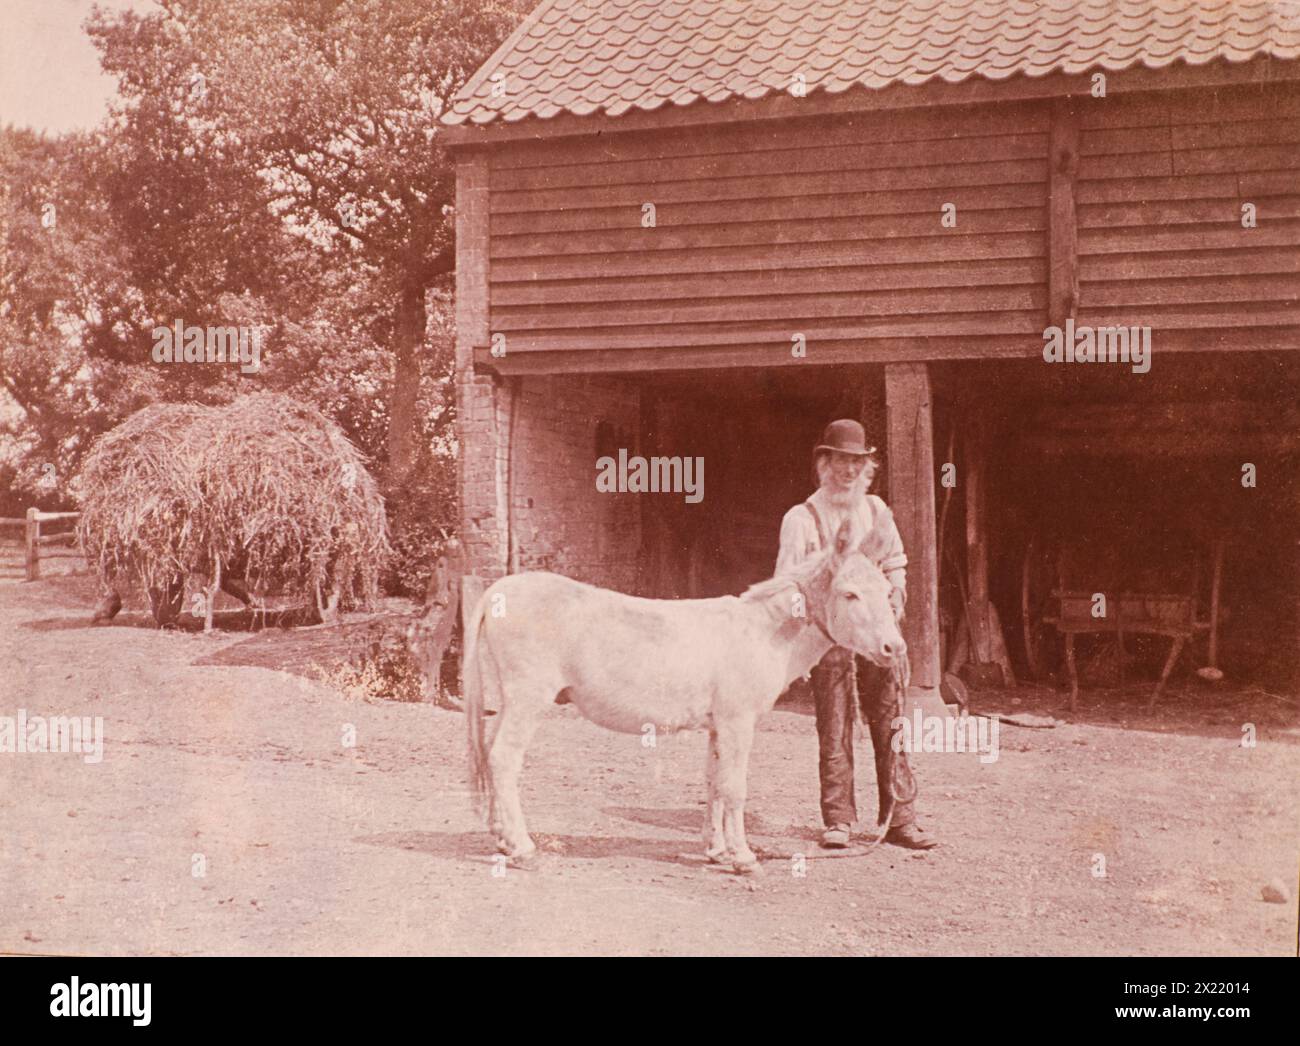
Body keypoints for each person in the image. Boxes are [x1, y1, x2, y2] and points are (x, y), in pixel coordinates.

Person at [775, 419, 938, 850]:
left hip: (875, 633)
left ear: (868, 468)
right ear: (823, 464)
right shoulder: (802, 518)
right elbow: (788, 584)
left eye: (857, 463)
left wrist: (898, 592)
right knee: (834, 725)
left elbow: (896, 560)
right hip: (828, 638)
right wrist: (800, 635)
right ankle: (839, 820)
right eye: (840, 462)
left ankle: (901, 817)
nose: (848, 471)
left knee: (890, 720)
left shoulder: (876, 511)